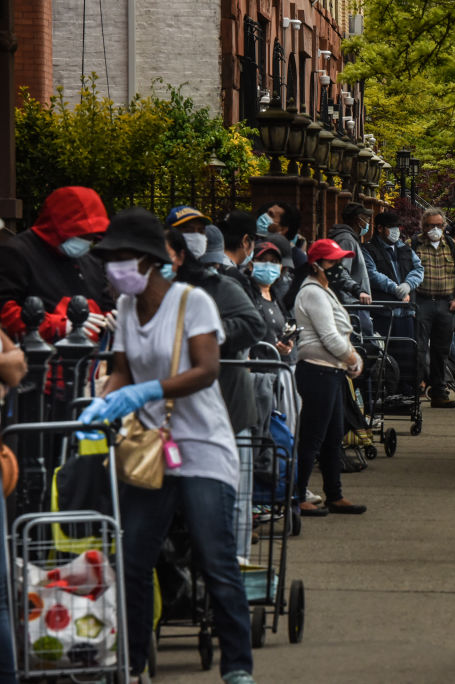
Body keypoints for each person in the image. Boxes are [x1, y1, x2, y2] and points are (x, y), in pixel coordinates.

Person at [79, 208, 255, 684]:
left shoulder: (190, 302)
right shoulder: (128, 312)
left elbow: (207, 369)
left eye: (120, 259)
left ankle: (237, 664)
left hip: (201, 445)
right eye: (108, 260)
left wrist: (147, 392)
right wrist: (102, 401)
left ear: (147, 260)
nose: (112, 270)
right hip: (151, 450)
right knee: (133, 558)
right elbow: (122, 370)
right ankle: (133, 663)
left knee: (215, 557)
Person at [164, 227, 267, 560]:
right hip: (173, 419)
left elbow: (253, 325)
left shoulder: (219, 287)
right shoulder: (148, 296)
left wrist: (206, 335)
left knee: (234, 495)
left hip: (230, 408)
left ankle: (235, 565)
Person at [290, 239, 367, 516]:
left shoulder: (323, 290)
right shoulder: (312, 292)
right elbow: (329, 336)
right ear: (316, 264)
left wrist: (346, 359)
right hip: (317, 370)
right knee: (312, 436)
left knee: (334, 437)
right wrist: (352, 358)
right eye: (332, 262)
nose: (338, 267)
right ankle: (298, 495)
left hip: (331, 370)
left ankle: (334, 495)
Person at [0, 186, 113, 342]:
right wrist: (56, 326)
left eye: (91, 235)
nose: (87, 240)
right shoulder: (16, 253)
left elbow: (105, 304)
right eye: (82, 233)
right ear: (60, 226)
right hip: (37, 359)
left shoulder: (90, 261)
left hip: (89, 359)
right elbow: (4, 310)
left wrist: (110, 319)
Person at [362, 211, 425, 393]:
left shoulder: (404, 248)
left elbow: (418, 269)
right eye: (392, 228)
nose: (396, 231)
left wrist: (408, 285)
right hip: (384, 312)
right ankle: (388, 392)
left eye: (397, 228)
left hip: (406, 313)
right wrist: (396, 289)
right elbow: (371, 274)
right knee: (387, 355)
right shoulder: (368, 249)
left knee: (407, 356)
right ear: (380, 228)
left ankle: (407, 391)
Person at [414, 210, 455, 408]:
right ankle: (415, 389)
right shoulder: (415, 245)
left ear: (444, 226)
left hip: (445, 304)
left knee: (441, 350)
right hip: (423, 302)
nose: (434, 229)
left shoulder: (451, 246)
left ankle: (438, 391)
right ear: (423, 225)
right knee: (418, 348)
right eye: (430, 225)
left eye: (438, 225)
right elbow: (406, 273)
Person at [248, 240, 294, 356]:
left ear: (280, 268)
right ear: (251, 265)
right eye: (263, 260)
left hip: (275, 367)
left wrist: (286, 347)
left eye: (273, 261)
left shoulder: (277, 298)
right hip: (255, 369)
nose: (268, 265)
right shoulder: (245, 295)